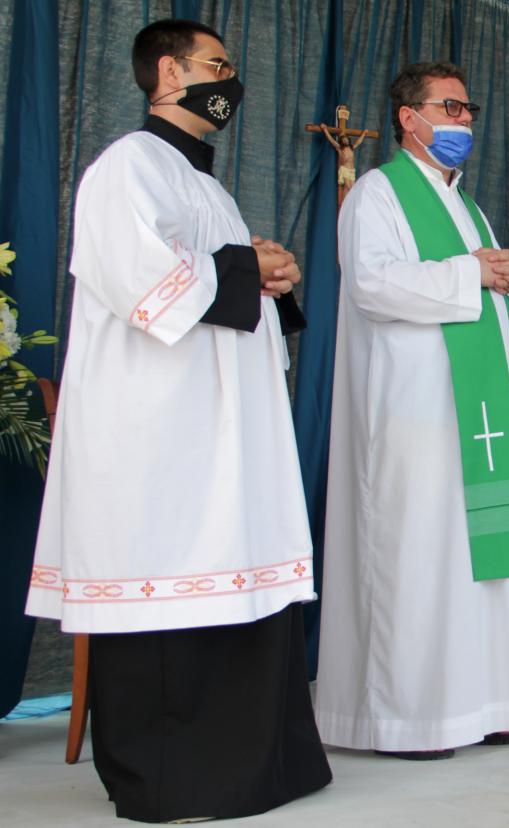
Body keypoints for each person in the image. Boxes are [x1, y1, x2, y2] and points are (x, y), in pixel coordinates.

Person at [25, 18, 329, 822]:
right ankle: (175, 777)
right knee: (169, 582)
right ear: (168, 72)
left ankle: (258, 765)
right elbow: (141, 280)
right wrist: (244, 267)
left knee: (238, 573)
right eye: (217, 65)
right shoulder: (128, 166)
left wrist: (275, 275)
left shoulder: (211, 187)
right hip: (158, 432)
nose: (230, 81)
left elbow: (226, 283)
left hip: (222, 430)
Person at [316, 61, 509, 760]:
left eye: (469, 110)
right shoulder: (378, 195)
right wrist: (469, 274)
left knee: (481, 564)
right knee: (420, 558)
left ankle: (490, 701)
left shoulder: (468, 206)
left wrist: (507, 283)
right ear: (408, 119)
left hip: (477, 420)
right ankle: (412, 717)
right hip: (414, 417)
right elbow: (369, 285)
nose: (464, 122)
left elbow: (504, 302)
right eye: (450, 108)